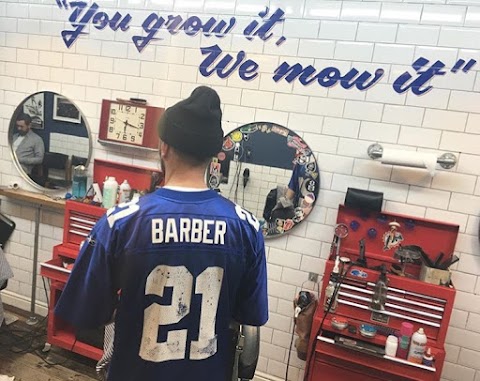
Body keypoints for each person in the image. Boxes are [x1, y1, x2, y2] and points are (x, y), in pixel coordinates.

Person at [55, 86, 269, 381]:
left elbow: (87, 312)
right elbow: (251, 316)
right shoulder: (247, 228)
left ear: (164, 147)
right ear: (213, 155)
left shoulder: (121, 223)